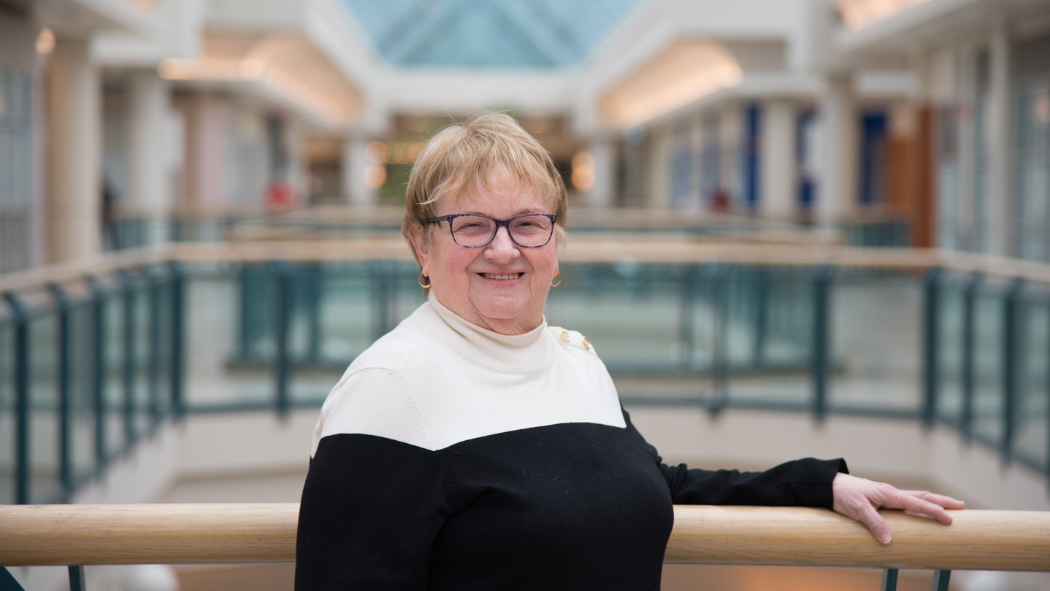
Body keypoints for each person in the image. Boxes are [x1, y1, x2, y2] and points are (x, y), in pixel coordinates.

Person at [295, 113, 963, 590]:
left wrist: (816, 486)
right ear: (421, 243)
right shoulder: (389, 388)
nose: (504, 248)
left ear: (556, 244)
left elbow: (646, 483)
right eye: (471, 225)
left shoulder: (574, 360)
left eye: (528, 223)